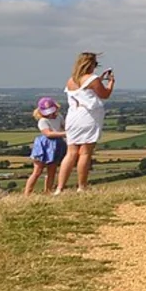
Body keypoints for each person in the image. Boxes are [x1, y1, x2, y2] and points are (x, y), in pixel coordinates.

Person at [55, 52, 114, 194]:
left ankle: (59, 188)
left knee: (71, 153)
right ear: (91, 64)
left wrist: (99, 79)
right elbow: (104, 94)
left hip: (73, 116)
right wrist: (111, 82)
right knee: (85, 153)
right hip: (88, 117)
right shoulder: (93, 79)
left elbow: (86, 90)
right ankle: (81, 186)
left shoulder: (71, 80)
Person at [24, 97, 67, 196]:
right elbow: (48, 134)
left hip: (57, 145)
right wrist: (65, 133)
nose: (50, 114)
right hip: (44, 145)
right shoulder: (42, 121)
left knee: (52, 171)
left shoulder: (59, 116)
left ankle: (48, 192)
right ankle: (27, 194)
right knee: (37, 171)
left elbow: (64, 126)